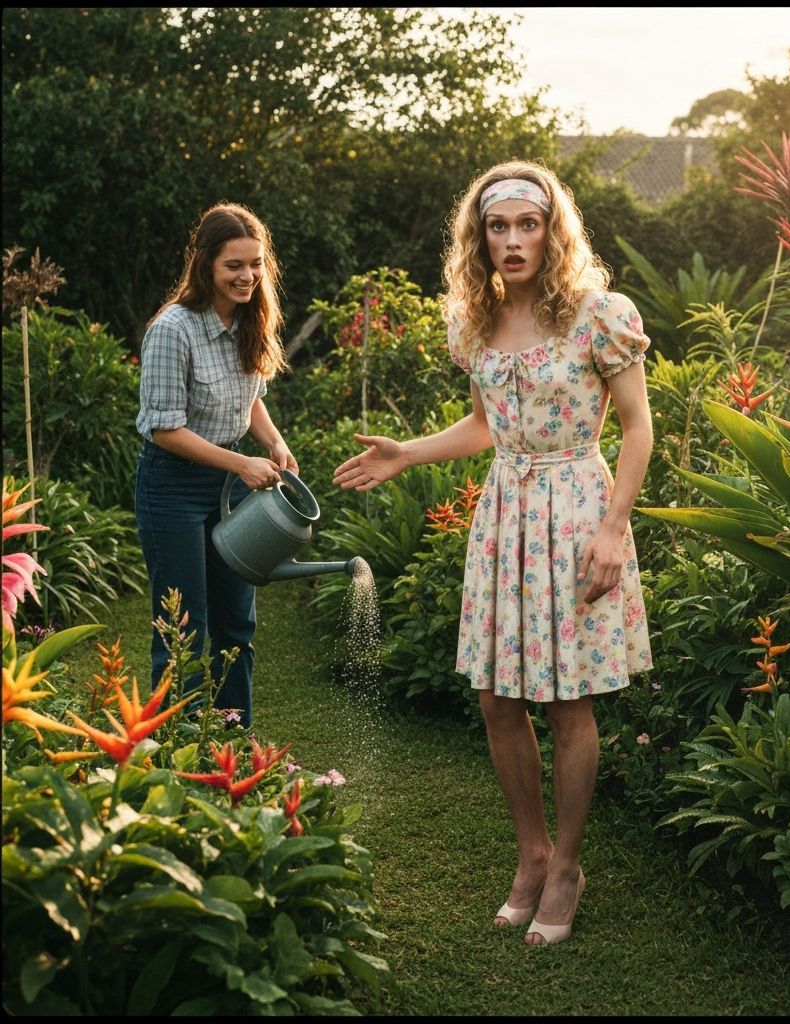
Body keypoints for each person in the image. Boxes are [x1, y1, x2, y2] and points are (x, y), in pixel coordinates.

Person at [333, 161, 653, 946]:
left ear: (553, 230)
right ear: (479, 238)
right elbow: (485, 427)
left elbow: (639, 427)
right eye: (497, 227)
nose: (513, 241)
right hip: (505, 513)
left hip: (577, 508)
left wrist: (612, 528)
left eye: (527, 224)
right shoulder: (473, 322)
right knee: (497, 701)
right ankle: (531, 853)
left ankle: (569, 864)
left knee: (567, 700)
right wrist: (406, 451)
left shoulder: (597, 315)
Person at [135, 203, 297, 730]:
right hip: (172, 489)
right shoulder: (173, 329)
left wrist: (273, 442)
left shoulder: (252, 321)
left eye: (255, 264)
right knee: (184, 628)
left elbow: (249, 397)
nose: (247, 277)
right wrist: (240, 462)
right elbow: (164, 427)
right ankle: (175, 752)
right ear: (206, 264)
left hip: (231, 487)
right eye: (234, 265)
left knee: (237, 622)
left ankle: (232, 742)